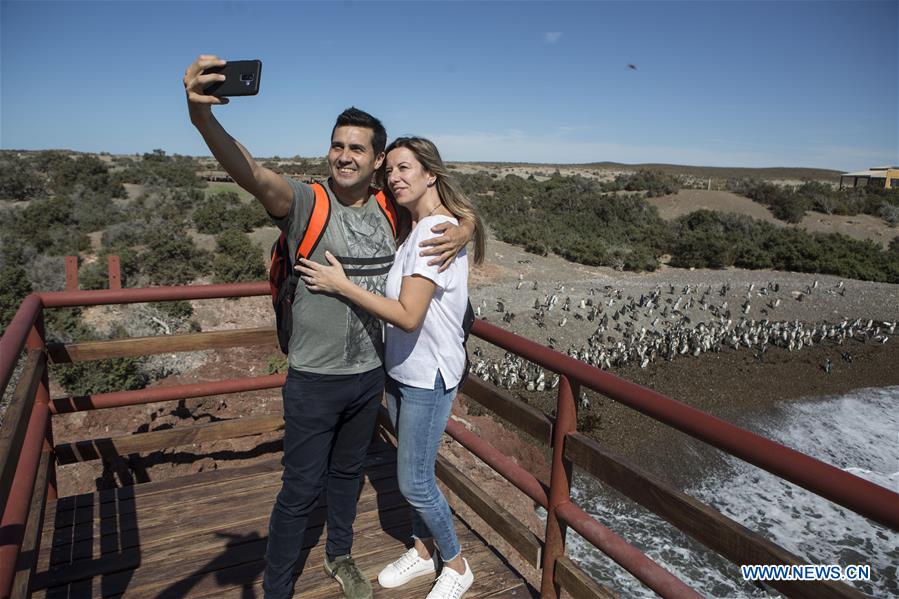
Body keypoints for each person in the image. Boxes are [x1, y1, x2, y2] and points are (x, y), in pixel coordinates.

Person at [182, 56, 473, 599]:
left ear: (378, 159)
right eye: (337, 145)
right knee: (298, 490)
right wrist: (203, 120)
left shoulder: (393, 208)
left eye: (357, 148)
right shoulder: (306, 203)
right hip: (313, 378)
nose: (344, 155)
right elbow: (250, 171)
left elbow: (447, 202)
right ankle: (278, 587)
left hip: (368, 377)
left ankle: (341, 556)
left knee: (346, 479)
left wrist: (466, 227)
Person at [297, 136, 486, 599]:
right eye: (391, 171)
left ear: (431, 174)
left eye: (406, 169)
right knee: (415, 473)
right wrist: (468, 221)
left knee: (415, 482)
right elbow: (464, 217)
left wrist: (341, 286)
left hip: (428, 376)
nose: (395, 178)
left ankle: (457, 565)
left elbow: (407, 314)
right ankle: (424, 551)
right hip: (403, 370)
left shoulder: (432, 231)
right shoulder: (419, 225)